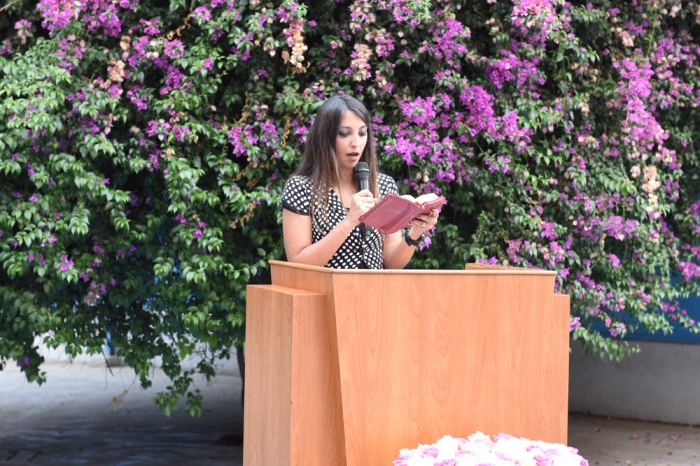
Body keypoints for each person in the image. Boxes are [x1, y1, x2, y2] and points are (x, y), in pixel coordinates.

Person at [282, 95, 439, 269]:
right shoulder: (301, 188)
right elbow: (298, 264)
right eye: (344, 133)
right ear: (325, 137)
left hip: (375, 286)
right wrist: (349, 221)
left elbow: (391, 263)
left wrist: (416, 231)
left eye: (362, 133)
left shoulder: (383, 185)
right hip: (327, 286)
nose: (356, 143)